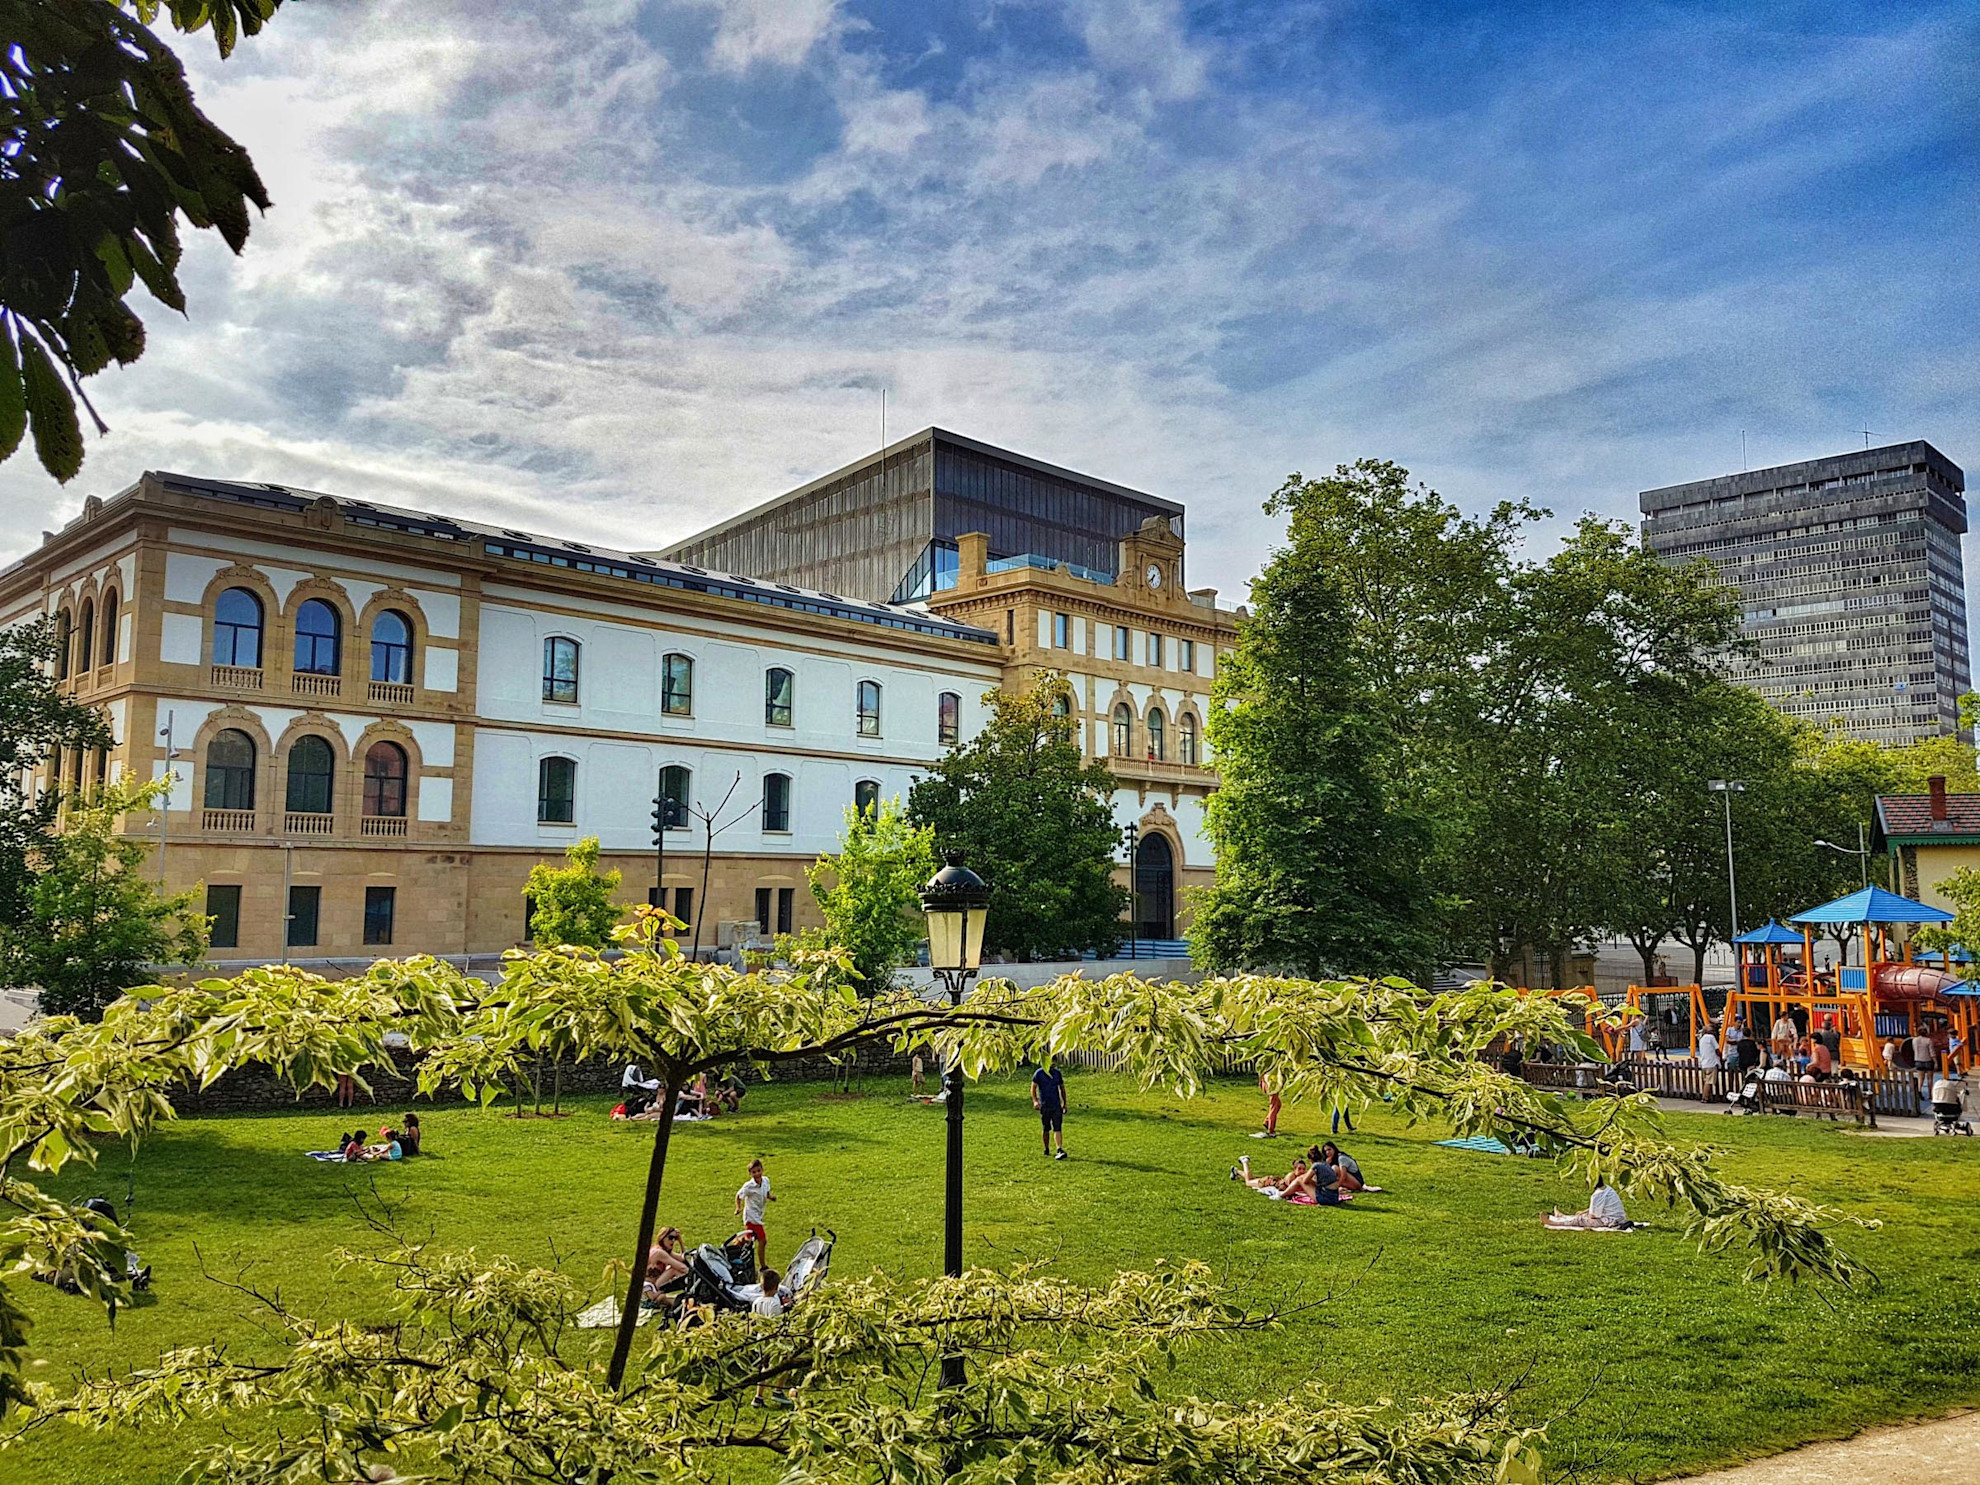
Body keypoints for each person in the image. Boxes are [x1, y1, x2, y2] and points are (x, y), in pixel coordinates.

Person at [735, 1158, 774, 1267]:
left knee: (749, 1241)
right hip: (751, 1217)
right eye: (754, 1172)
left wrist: (771, 1197)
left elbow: (766, 1192)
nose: (757, 1174)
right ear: (750, 1174)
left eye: (758, 1171)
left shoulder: (766, 1180)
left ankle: (737, 1246)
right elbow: (738, 1196)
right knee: (763, 1240)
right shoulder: (749, 1186)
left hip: (759, 1215)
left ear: (762, 1170)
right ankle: (763, 1266)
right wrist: (738, 1208)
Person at [1544, 1183, 1628, 1230]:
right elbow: (1598, 1208)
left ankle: (1555, 1223)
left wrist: (1586, 1214)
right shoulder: (1608, 1189)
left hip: (1611, 1221)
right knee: (1582, 1215)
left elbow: (1594, 1215)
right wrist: (1584, 1212)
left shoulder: (1597, 1195)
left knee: (1581, 1220)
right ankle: (1563, 1216)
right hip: (1618, 1218)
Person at [1032, 1062, 1068, 1160]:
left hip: (1056, 1105)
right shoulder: (1038, 1073)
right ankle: (1046, 1148)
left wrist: (1064, 1103)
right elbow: (1033, 1088)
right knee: (1046, 1128)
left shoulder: (1057, 1074)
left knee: (1057, 1127)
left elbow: (1062, 1088)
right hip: (1045, 1105)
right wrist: (1035, 1101)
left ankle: (1059, 1149)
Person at [644, 1229, 690, 1301]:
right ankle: (690, 1285)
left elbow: (683, 1259)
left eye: (675, 1238)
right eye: (670, 1238)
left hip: (656, 1283)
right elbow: (682, 1267)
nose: (673, 1241)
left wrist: (680, 1241)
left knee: (676, 1269)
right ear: (662, 1238)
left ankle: (689, 1285)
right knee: (673, 1269)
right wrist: (693, 1274)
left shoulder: (663, 1250)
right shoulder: (659, 1253)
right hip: (652, 1286)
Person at [1257, 1070, 1280, 1139]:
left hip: (1267, 1082)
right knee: (1274, 1106)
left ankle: (1267, 1122)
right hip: (1271, 1084)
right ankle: (1271, 1129)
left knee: (1278, 1104)